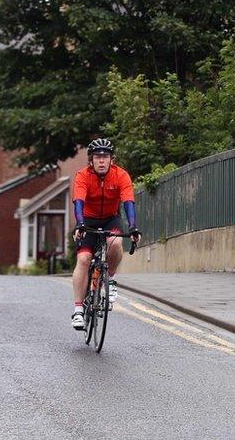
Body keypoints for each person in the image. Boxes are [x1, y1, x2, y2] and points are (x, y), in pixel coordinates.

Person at [70, 138, 141, 330]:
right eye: (97, 157)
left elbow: (128, 202)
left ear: (112, 159)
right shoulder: (82, 175)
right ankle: (78, 310)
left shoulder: (121, 175)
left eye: (106, 157)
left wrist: (133, 226)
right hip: (88, 219)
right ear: (91, 160)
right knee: (84, 259)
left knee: (116, 243)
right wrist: (80, 224)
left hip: (111, 218)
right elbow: (78, 201)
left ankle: (109, 278)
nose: (102, 161)